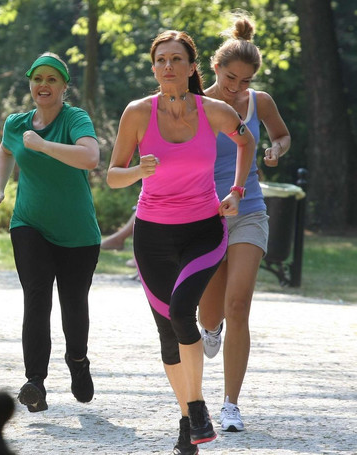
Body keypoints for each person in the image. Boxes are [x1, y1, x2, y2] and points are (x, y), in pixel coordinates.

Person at [106, 30, 255, 455]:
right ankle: (190, 422)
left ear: (193, 68)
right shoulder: (137, 113)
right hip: (152, 235)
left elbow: (246, 141)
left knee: (181, 311)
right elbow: (113, 175)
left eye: (176, 59)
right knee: (168, 335)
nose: (167, 66)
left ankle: (195, 412)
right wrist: (138, 170)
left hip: (204, 230)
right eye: (160, 60)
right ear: (153, 69)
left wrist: (237, 191)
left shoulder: (214, 111)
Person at [0, 52, 101, 413]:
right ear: (30, 85)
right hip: (29, 223)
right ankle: (35, 381)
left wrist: (44, 146)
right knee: (37, 297)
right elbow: (5, 152)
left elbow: (91, 158)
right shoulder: (17, 123)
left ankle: (78, 361)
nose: (43, 85)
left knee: (73, 303)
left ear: (64, 86)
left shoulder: (75, 118)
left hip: (78, 233)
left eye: (52, 79)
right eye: (37, 79)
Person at [198, 15, 291, 432]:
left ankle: (231, 404)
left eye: (245, 80)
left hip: (249, 209)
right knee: (210, 312)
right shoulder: (195, 99)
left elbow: (282, 136)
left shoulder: (260, 101)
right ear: (216, 68)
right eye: (231, 78)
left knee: (239, 305)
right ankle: (209, 327)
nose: (237, 88)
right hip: (204, 213)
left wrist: (275, 149)